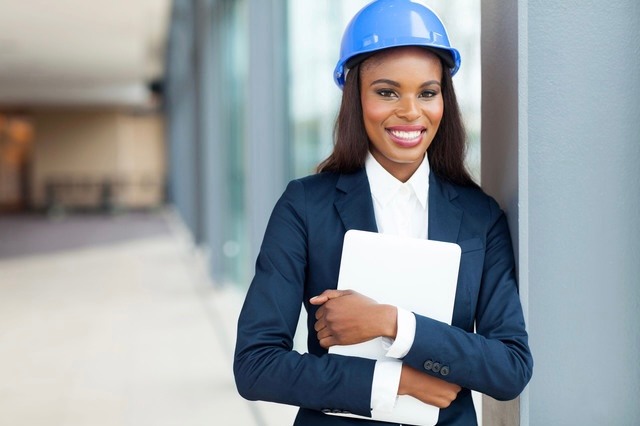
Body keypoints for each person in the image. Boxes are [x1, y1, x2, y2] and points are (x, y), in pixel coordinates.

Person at [234, 1, 533, 424]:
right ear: (355, 96)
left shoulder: (479, 216)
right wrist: (395, 384)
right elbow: (256, 365)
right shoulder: (304, 206)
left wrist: (390, 322)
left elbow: (510, 367)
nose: (411, 111)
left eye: (427, 93)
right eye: (387, 91)